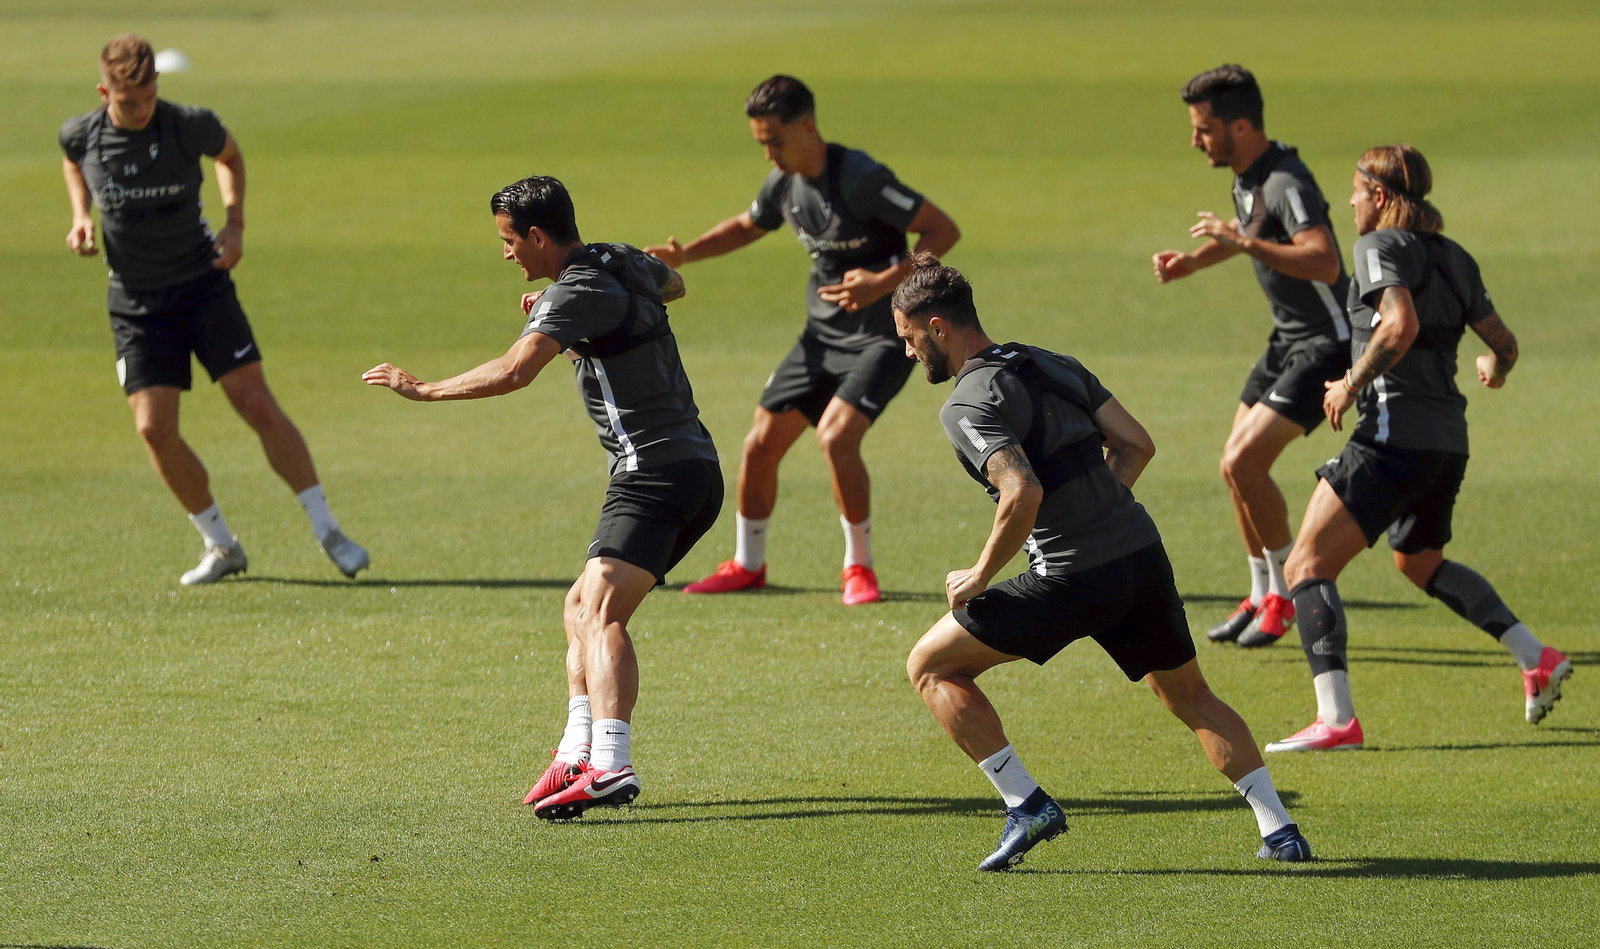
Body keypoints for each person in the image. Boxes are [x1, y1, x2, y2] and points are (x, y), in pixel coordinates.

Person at [891, 254, 1310, 870]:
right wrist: (1100, 510)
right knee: (1192, 697)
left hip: (1071, 576)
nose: (907, 354)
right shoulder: (1052, 362)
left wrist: (979, 574)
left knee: (930, 666)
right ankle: (1280, 830)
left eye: (907, 338)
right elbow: (1138, 442)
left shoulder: (965, 405)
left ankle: (1025, 803)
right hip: (1139, 553)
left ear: (937, 327)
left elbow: (1022, 491)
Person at [363, 176, 721, 818]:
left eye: (509, 241)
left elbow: (514, 371)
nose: (505, 254)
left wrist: (424, 390)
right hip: (686, 465)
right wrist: (576, 309)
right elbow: (673, 283)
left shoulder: (576, 289)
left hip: (655, 469)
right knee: (579, 604)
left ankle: (612, 764)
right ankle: (575, 751)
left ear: (537, 235)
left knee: (602, 612)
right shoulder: (615, 260)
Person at [1265, 145, 1571, 753]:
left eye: (1355, 191)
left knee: (1305, 566)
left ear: (1379, 197)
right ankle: (1536, 656)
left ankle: (1336, 720)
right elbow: (1503, 344)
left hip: (1390, 436)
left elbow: (1398, 324)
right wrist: (1496, 369)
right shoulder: (1456, 258)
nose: (1349, 201)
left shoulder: (1377, 247)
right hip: (1446, 444)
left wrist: (1350, 383)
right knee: (1420, 561)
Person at [59, 34, 367, 585]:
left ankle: (329, 529)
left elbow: (229, 155)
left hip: (204, 286)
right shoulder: (82, 134)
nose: (142, 107)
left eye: (149, 94)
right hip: (136, 305)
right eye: (129, 100)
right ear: (105, 91)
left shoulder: (187, 124)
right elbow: (72, 162)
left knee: (256, 404)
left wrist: (236, 221)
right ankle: (221, 545)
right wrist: (80, 215)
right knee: (153, 429)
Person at [647, 75, 960, 605]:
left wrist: (882, 282)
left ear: (808, 127)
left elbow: (942, 230)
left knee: (836, 438)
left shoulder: (860, 176)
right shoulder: (784, 183)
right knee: (759, 445)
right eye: (760, 143)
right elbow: (748, 225)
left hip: (883, 337)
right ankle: (747, 565)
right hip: (820, 337)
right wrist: (686, 255)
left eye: (776, 140)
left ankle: (858, 568)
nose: (768, 154)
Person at [1152, 64, 1351, 647]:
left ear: (1240, 127)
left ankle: (1289, 592)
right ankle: (1263, 591)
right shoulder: (1248, 174)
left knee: (1245, 463)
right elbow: (1250, 228)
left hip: (1328, 341)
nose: (1195, 140)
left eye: (1204, 128)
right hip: (1286, 338)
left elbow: (1324, 260)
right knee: (1231, 467)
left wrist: (1240, 242)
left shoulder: (1286, 181)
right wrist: (1197, 260)